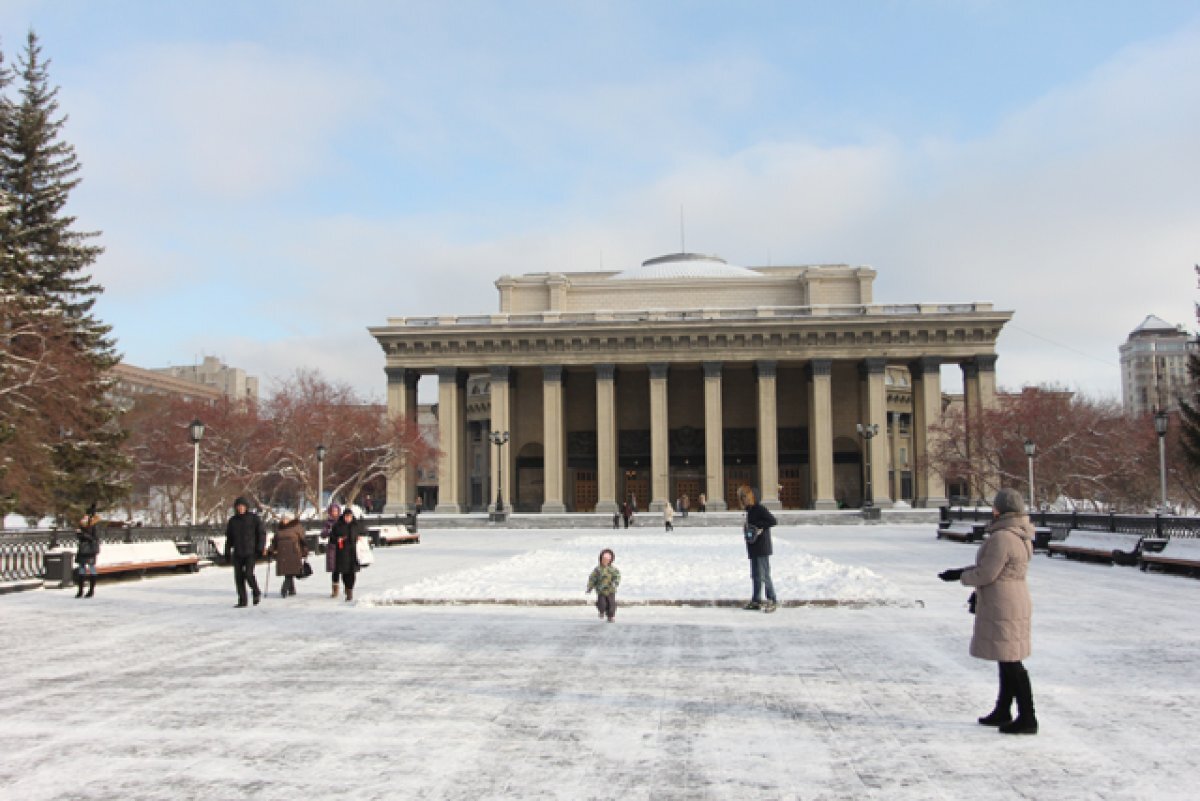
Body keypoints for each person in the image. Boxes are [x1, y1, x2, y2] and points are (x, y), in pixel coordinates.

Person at [939, 487, 1038, 735]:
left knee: (1012, 662)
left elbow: (987, 573)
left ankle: (1028, 717)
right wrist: (961, 571)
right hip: (1014, 597)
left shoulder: (1002, 536)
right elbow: (996, 566)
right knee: (1007, 658)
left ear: (999, 509)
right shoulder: (1020, 534)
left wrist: (961, 577)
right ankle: (1003, 709)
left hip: (1002, 601)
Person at [739, 485, 778, 613]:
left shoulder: (759, 509)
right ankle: (756, 600)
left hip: (762, 546)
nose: (742, 500)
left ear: (751, 497)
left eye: (744, 497)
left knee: (764, 574)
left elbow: (773, 521)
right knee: (755, 574)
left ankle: (772, 599)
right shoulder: (749, 511)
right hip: (753, 546)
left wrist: (758, 526)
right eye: (741, 497)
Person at [224, 497, 267, 608]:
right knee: (238, 577)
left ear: (246, 507)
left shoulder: (254, 518)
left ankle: (256, 591)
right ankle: (242, 600)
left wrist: (260, 548)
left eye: (242, 506)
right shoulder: (233, 521)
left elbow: (261, 534)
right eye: (238, 506)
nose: (240, 508)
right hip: (238, 552)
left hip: (250, 552)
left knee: (248, 574)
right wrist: (227, 552)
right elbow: (229, 538)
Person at [270, 512, 308, 598]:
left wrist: (305, 551)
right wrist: (271, 549)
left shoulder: (297, 527)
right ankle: (292, 589)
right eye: (283, 518)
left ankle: (284, 589)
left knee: (290, 572)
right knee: (288, 572)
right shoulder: (280, 528)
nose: (284, 520)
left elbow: (303, 540)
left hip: (293, 553)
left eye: (286, 518)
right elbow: (274, 541)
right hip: (282, 554)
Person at [330, 505, 364, 602]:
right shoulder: (337, 526)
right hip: (342, 553)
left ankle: (350, 590)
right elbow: (332, 538)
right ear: (343, 516)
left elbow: (364, 532)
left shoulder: (356, 525)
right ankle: (347, 588)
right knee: (345, 574)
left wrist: (360, 537)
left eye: (350, 516)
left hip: (354, 553)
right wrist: (338, 539)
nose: (348, 518)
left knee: (352, 574)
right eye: (346, 516)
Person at [586, 548, 621, 623]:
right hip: (601, 590)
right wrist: (590, 587)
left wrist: (615, 582)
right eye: (603, 560)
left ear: (610, 560)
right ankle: (601, 610)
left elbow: (617, 576)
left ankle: (610, 616)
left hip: (611, 590)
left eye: (607, 560)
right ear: (601, 559)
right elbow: (592, 578)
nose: (605, 561)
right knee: (602, 604)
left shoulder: (613, 569)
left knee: (611, 605)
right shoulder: (598, 569)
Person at [74, 511, 101, 599]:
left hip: (90, 550)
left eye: (86, 516)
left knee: (91, 568)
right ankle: (80, 590)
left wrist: (83, 535)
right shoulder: (81, 525)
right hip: (82, 549)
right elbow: (80, 537)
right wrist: (79, 534)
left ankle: (91, 590)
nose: (84, 517)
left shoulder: (94, 525)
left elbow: (94, 538)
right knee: (81, 569)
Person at [322, 503, 342, 597]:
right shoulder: (328, 522)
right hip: (333, 547)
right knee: (335, 569)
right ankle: (335, 589)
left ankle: (348, 587)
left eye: (336, 511)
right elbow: (323, 534)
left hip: (342, 547)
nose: (334, 513)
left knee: (345, 568)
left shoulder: (342, 521)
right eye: (333, 511)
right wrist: (327, 532)